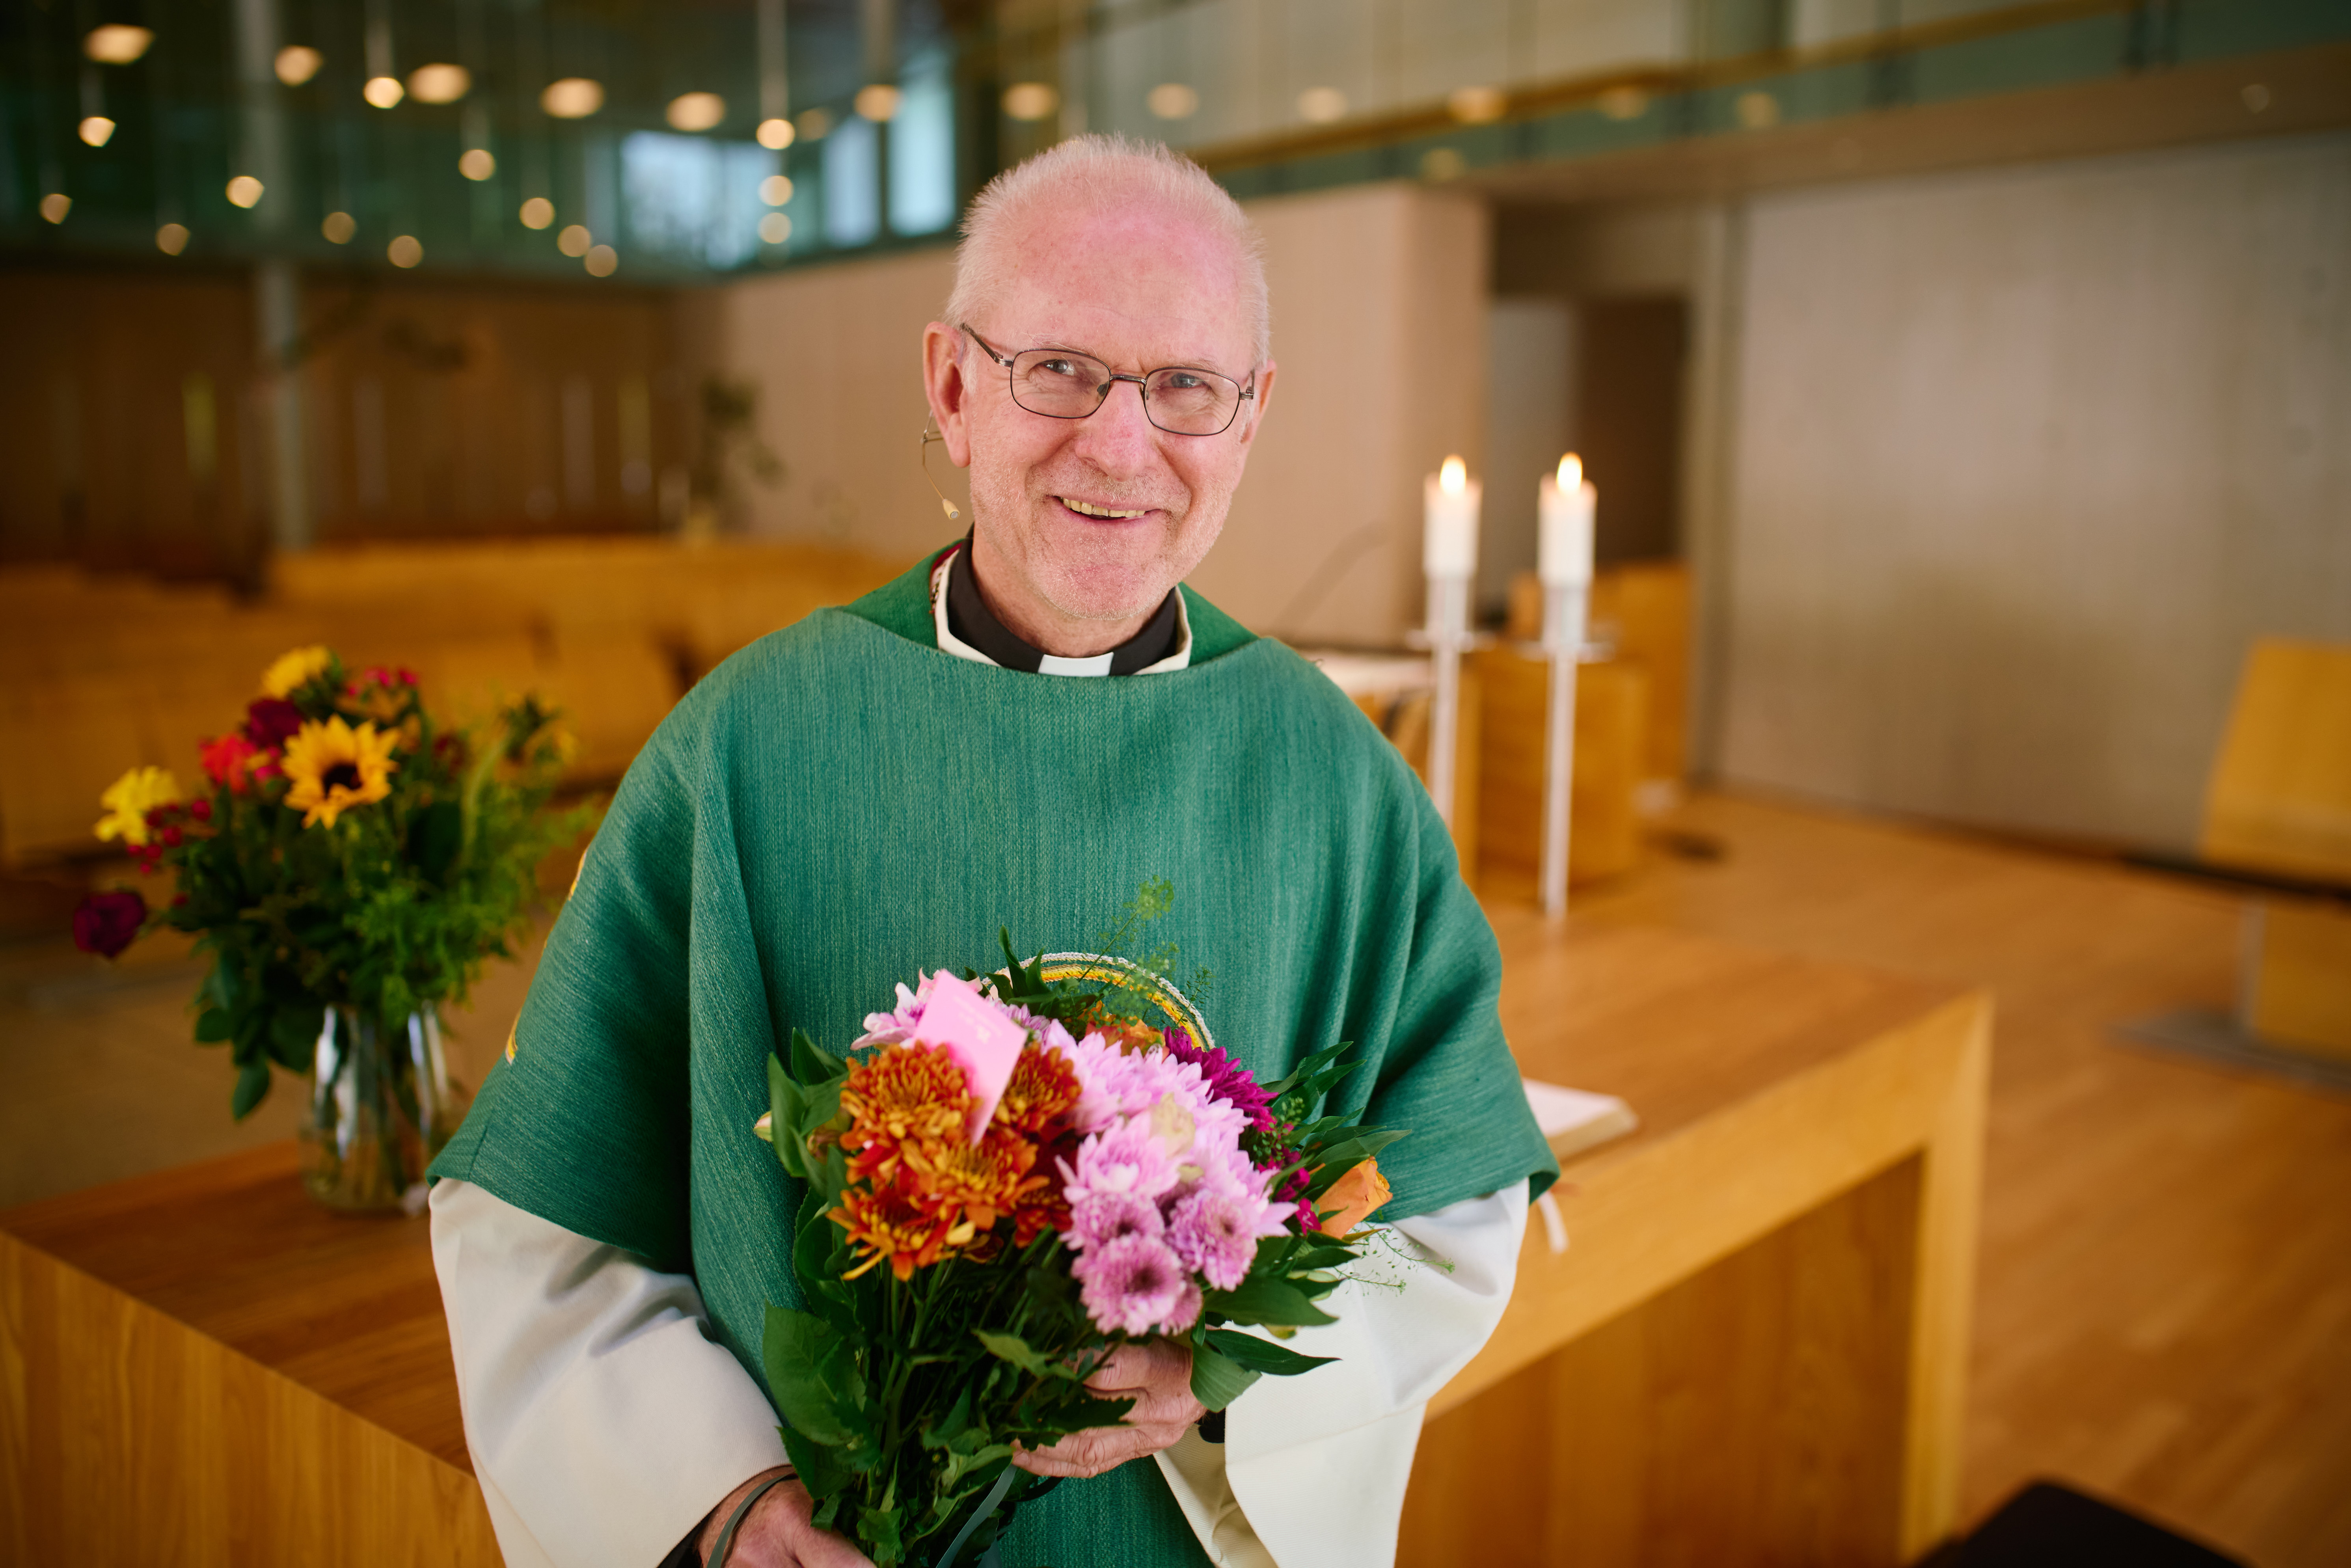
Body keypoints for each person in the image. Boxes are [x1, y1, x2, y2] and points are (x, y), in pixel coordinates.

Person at [427, 135, 1557, 1568]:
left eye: (1185, 386)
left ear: (1250, 418)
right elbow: (545, 1217)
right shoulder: (746, 748)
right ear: (953, 388)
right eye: (1059, 370)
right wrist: (719, 1495)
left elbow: (1450, 1198)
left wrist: (1236, 1369)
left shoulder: (1336, 774)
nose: (1121, 445)